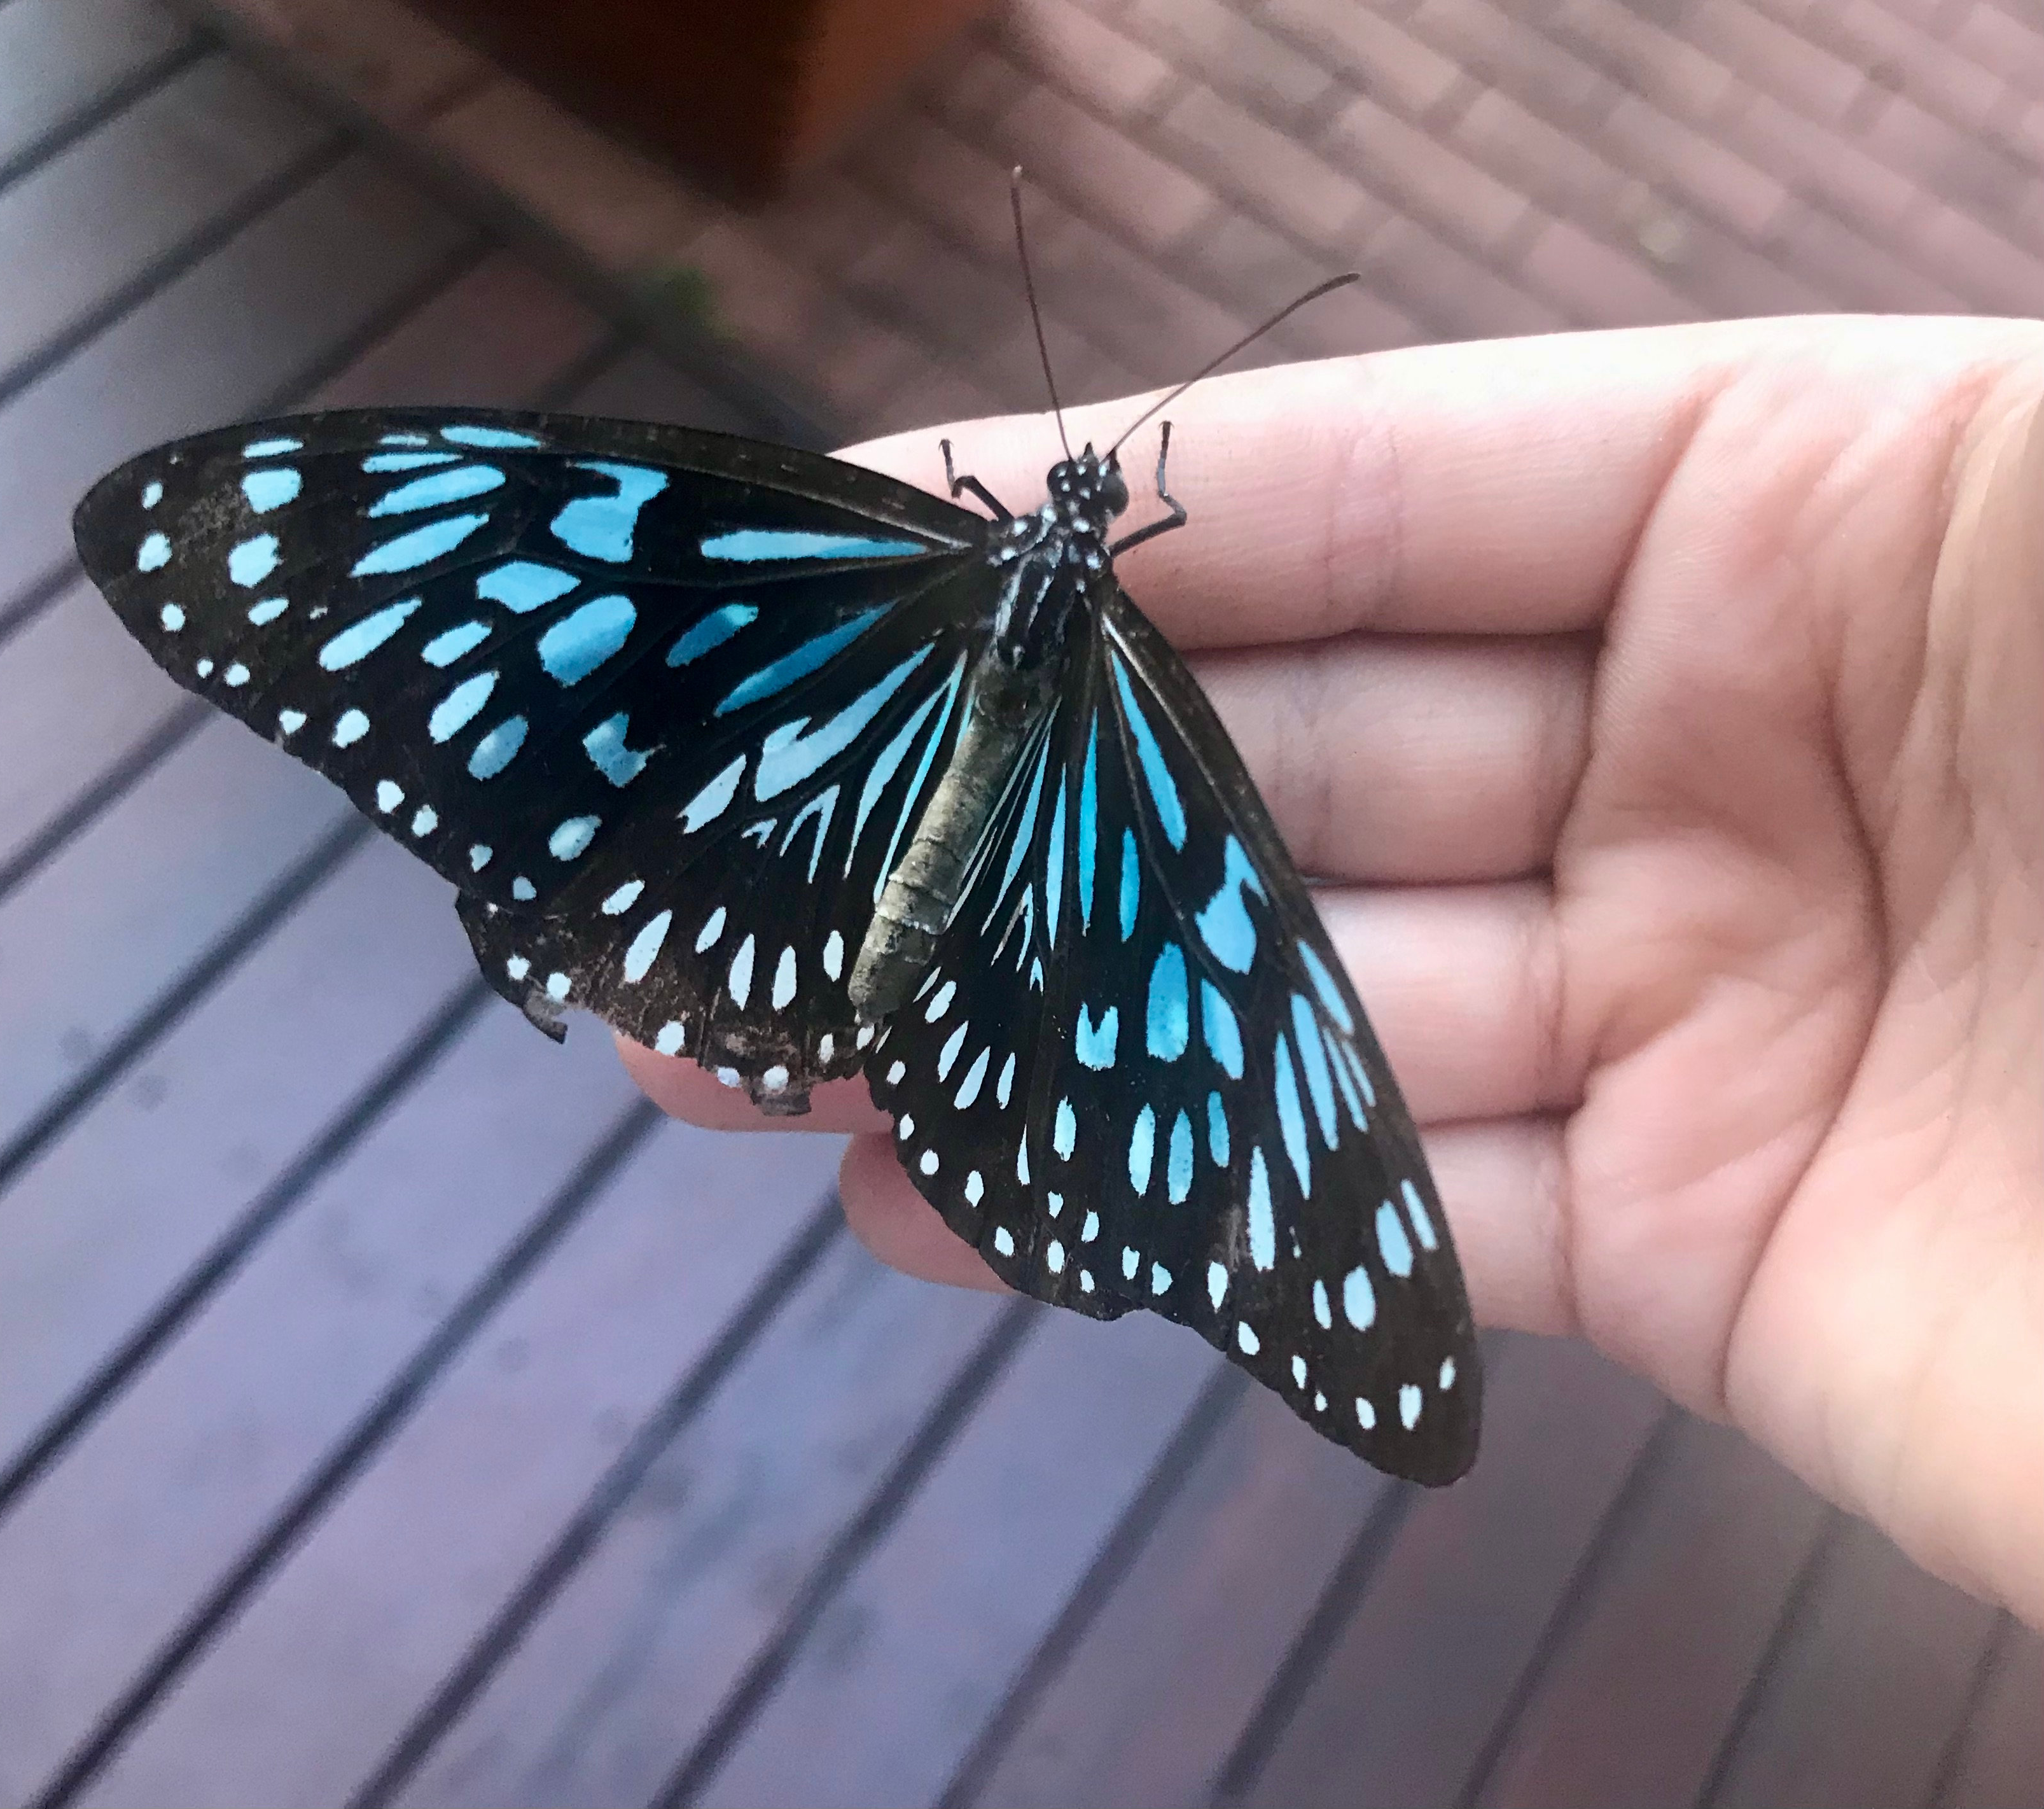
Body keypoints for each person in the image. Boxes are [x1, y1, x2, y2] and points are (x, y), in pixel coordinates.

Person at [618, 318, 2043, 1631]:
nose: (1101, 507)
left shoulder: (935, 552)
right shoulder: (1129, 667)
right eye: (1107, 507)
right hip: (1016, 914)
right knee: (1216, 951)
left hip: (796, 836)